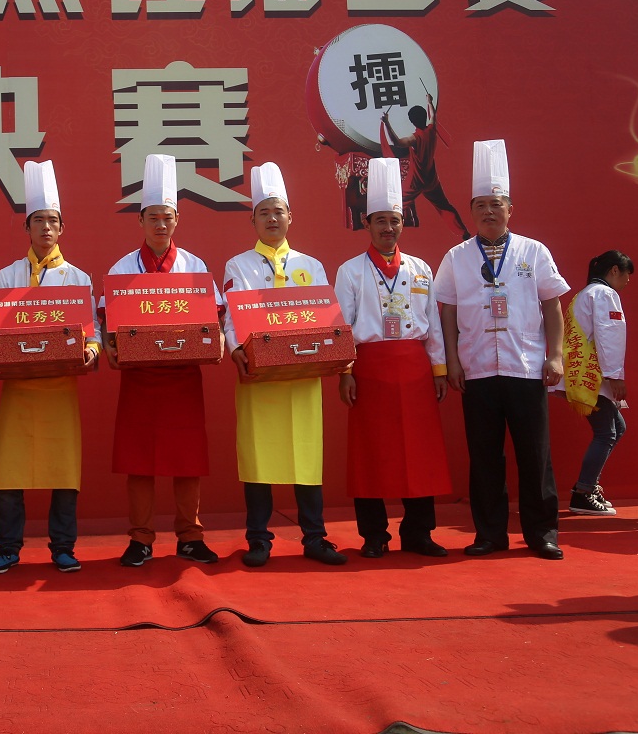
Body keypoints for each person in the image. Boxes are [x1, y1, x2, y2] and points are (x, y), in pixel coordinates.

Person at [433, 139, 570, 560]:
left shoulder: (534, 251)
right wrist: (452, 361)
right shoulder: (456, 257)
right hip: (476, 370)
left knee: (535, 456)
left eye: (496, 204)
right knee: (484, 457)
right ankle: (490, 533)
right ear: (471, 211)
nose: (488, 212)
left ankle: (542, 533)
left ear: (510, 209)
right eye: (480, 205)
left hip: (526, 367)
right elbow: (448, 312)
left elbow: (553, 305)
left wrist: (556, 354)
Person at [223, 161, 347, 567]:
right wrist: (236, 350)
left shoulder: (311, 266)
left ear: (290, 216)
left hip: (303, 377)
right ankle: (259, 539)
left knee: (306, 455)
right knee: (259, 456)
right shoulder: (238, 265)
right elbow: (232, 318)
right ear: (253, 220)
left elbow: (329, 319)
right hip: (259, 377)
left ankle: (315, 537)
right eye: (264, 212)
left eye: (278, 211)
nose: (272, 219)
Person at [103, 153, 222, 567]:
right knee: (139, 461)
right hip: (139, 378)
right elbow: (107, 321)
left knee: (187, 459)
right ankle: (140, 539)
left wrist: (217, 341)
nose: (159, 224)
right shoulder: (122, 268)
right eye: (152, 217)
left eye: (166, 217)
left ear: (177, 220)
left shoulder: (194, 265)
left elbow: (214, 317)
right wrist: (111, 348)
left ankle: (190, 535)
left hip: (182, 377)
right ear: (140, 220)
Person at [334, 157, 452, 559]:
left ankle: (419, 533)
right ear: (366, 224)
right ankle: (374, 536)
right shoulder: (350, 271)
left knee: (420, 453)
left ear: (403, 224)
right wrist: (346, 373)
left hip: (415, 369)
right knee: (371, 454)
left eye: (395, 221)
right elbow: (341, 327)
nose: (388, 228)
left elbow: (433, 325)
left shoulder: (420, 269)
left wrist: (439, 370)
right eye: (380, 221)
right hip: (369, 368)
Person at [0, 162, 99, 574]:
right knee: (10, 472)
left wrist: (92, 351)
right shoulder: (7, 276)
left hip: (60, 388)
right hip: (18, 388)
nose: (45, 228)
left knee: (62, 472)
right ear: (26, 228)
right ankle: (7, 547)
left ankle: (63, 547)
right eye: (38, 221)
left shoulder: (78, 278)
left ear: (62, 228)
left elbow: (92, 330)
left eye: (52, 221)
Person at [558, 250, 634, 517]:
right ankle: (584, 492)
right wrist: (615, 375)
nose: (627, 281)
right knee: (607, 433)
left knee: (615, 428)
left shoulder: (585, 294)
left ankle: (588, 486)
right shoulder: (604, 293)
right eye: (627, 274)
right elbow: (610, 335)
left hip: (582, 372)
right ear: (614, 270)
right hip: (592, 375)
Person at [381, 92, 470, 240]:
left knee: (396, 203)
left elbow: (396, 142)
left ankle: (389, 232)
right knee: (443, 205)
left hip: (416, 180)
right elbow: (433, 116)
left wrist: (387, 123)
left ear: (412, 121)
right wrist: (429, 102)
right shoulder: (431, 130)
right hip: (431, 179)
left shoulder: (415, 138)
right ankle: (464, 233)